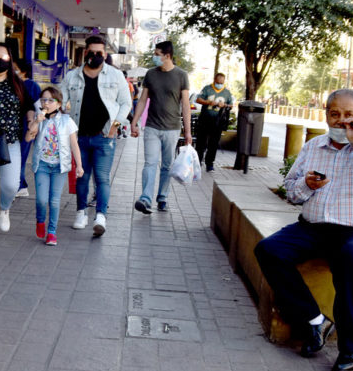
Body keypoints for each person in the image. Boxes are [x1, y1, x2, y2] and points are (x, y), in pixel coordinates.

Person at [254, 89, 353, 371]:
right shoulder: (314, 146)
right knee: (269, 250)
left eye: (349, 115)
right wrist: (307, 185)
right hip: (314, 227)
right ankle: (313, 320)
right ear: (326, 114)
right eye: (335, 114)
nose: (341, 121)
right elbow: (292, 193)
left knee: (351, 257)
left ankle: (352, 348)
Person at [60, 35, 132, 237]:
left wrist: (115, 125)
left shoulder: (116, 76)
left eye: (99, 53)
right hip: (79, 136)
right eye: (91, 52)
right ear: (85, 53)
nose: (95, 56)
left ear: (105, 55)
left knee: (102, 178)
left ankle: (101, 215)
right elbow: (61, 100)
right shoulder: (72, 76)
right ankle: (80, 213)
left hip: (104, 136)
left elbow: (126, 103)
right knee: (81, 177)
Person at [0, 43, 35, 244]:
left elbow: (28, 105)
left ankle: (4, 208)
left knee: (11, 185)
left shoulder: (16, 82)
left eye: (3, 57)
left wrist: (30, 122)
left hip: (11, 140)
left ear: (10, 61)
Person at [130, 40, 191, 213]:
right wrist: (134, 122)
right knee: (149, 163)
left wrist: (188, 132)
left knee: (167, 165)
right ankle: (146, 199)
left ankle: (162, 197)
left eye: (157, 55)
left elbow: (185, 105)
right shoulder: (151, 74)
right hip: (152, 127)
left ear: (167, 56)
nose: (154, 57)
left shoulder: (181, 75)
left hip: (172, 128)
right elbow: (142, 100)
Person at [26, 87, 83, 245]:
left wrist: (79, 165)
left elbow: (74, 144)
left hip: (59, 167)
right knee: (41, 200)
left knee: (55, 200)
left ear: (59, 104)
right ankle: (40, 221)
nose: (46, 103)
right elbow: (28, 137)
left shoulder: (67, 121)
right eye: (44, 100)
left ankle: (51, 232)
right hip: (42, 165)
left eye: (51, 100)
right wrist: (37, 121)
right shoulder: (40, 120)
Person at [194, 73, 234, 172]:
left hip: (218, 121)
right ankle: (198, 163)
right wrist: (208, 102)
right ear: (214, 80)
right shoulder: (207, 88)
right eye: (218, 82)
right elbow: (198, 99)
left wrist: (224, 105)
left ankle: (209, 163)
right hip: (205, 119)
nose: (219, 84)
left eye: (221, 82)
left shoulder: (226, 92)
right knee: (201, 143)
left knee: (214, 143)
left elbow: (231, 105)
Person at [15, 63, 43, 198]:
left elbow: (39, 107)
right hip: (13, 127)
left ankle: (19, 185)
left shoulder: (32, 86)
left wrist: (36, 125)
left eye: (16, 68)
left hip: (27, 126)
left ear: (24, 71)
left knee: (20, 156)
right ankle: (20, 184)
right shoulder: (12, 83)